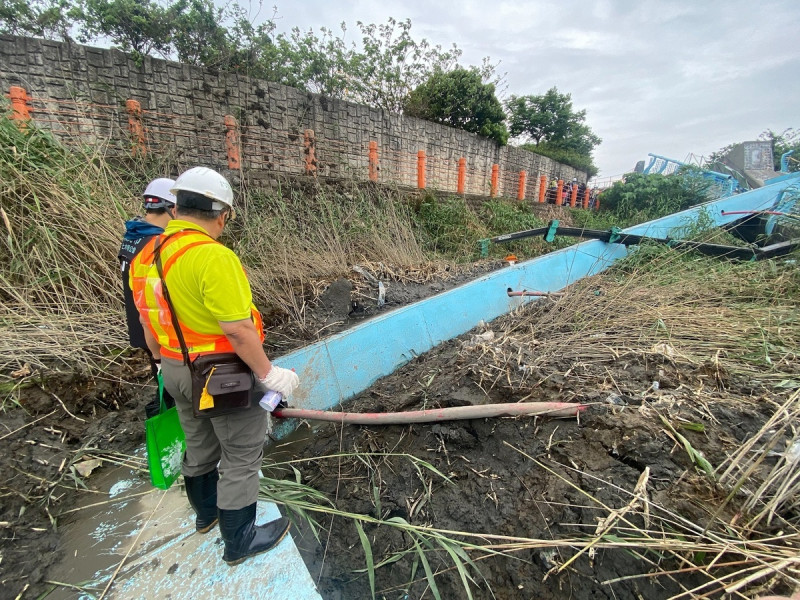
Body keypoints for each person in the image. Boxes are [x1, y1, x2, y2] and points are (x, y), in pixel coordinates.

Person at [129, 166, 300, 566]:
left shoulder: (146, 255)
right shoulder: (212, 256)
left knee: (200, 444)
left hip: (173, 368)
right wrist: (269, 375)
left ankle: (205, 517)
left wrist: (160, 363)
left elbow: (146, 321)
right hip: (221, 377)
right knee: (241, 454)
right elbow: (239, 331)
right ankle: (239, 539)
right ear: (221, 213)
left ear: (177, 206)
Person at [118, 178, 177, 418]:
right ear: (172, 209)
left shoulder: (132, 237)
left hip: (141, 323)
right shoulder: (156, 244)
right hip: (157, 328)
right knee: (171, 386)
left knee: (162, 378)